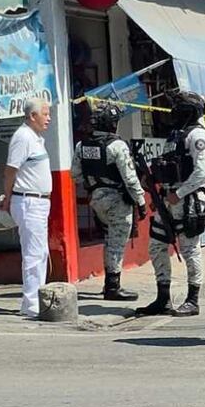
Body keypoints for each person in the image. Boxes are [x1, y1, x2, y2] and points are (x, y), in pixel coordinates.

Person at [136, 91, 205, 318]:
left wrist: (178, 194)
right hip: (169, 200)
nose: (173, 113)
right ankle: (163, 298)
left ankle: (193, 299)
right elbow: (168, 167)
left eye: (177, 108)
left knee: (190, 249)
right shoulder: (175, 136)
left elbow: (201, 172)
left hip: (189, 200)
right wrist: (157, 190)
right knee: (156, 246)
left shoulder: (198, 136)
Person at [72, 104, 147, 300]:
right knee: (116, 243)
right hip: (117, 201)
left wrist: (95, 188)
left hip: (96, 200)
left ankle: (109, 285)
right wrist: (141, 202)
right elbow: (130, 178)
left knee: (109, 240)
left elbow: (76, 175)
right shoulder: (117, 145)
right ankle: (113, 287)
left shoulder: (82, 146)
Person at [2, 98, 53, 318]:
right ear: (32, 116)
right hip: (28, 201)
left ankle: (35, 299)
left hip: (40, 201)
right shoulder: (23, 137)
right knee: (33, 254)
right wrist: (7, 197)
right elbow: (10, 170)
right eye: (45, 114)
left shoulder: (36, 139)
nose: (48, 118)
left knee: (41, 253)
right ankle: (31, 304)